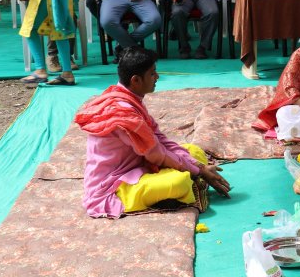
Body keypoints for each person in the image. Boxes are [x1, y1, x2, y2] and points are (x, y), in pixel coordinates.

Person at [75, 46, 231, 218]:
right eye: (152, 73)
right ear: (135, 80)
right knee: (178, 183)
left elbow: (159, 139)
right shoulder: (123, 113)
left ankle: (188, 177)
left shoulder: (128, 98)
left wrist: (198, 166)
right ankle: (132, 196)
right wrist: (199, 171)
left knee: (193, 151)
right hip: (113, 184)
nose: (157, 77)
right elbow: (156, 154)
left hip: (136, 164)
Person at [14, 0, 79, 75]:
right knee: (37, 27)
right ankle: (55, 60)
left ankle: (54, 63)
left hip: (55, 2)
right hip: (41, 3)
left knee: (66, 22)